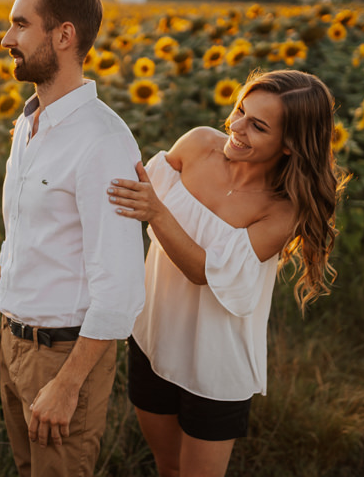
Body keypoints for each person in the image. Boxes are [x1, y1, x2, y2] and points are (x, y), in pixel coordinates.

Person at [106, 69, 348, 477]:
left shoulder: (280, 210)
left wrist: (157, 213)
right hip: (152, 337)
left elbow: (204, 272)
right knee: (167, 467)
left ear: (289, 144)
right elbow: (132, 191)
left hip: (215, 361)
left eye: (258, 125)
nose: (236, 127)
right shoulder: (198, 144)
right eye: (240, 110)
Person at [0, 0, 146, 477]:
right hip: (12, 342)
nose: (7, 39)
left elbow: (121, 287)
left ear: (64, 35)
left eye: (21, 25)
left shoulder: (103, 143)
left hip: (64, 354)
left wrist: (69, 383)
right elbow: (22, 234)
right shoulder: (29, 124)